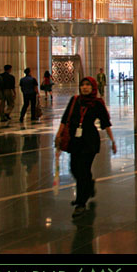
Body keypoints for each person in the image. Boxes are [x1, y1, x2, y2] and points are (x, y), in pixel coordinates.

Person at [59, 76, 116, 218]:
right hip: (74, 140)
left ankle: (80, 203)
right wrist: (58, 135)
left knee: (83, 170)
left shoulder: (97, 103)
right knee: (74, 168)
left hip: (89, 141)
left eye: (88, 85)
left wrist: (113, 141)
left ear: (93, 87)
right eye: (82, 85)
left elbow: (106, 123)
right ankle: (89, 186)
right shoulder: (74, 101)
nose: (84, 87)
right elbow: (65, 118)